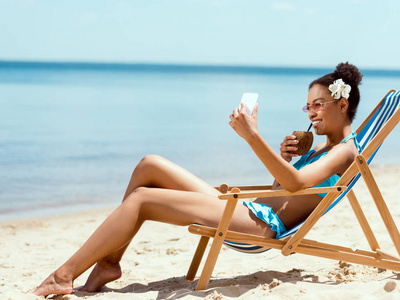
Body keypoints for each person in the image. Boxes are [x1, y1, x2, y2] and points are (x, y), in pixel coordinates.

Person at [32, 62, 363, 296]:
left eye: (318, 104)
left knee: (142, 200)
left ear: (342, 104)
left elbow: (291, 187)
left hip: (259, 226)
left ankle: (63, 276)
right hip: (247, 210)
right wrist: (285, 158)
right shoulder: (321, 148)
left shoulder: (345, 152)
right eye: (307, 107)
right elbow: (282, 187)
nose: (311, 113)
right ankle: (109, 263)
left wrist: (253, 138)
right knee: (150, 165)